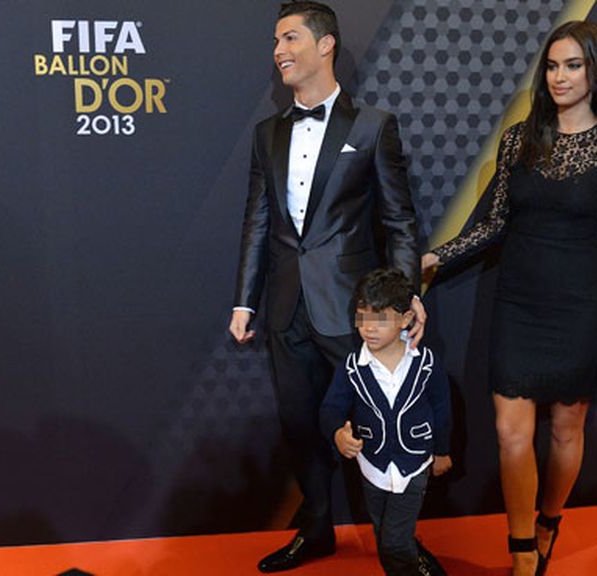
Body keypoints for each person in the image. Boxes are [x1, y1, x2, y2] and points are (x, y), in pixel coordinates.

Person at [421, 21, 597, 576]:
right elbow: (495, 222)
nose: (559, 77)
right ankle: (522, 546)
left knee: (568, 430)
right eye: (552, 66)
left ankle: (550, 518)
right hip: (518, 302)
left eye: (572, 65)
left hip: (578, 304)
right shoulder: (520, 138)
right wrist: (437, 257)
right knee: (509, 432)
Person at [228, 2, 425, 572]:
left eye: (289, 38)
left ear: (326, 45)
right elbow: (257, 220)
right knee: (300, 426)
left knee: (385, 428)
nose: (278, 52)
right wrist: (246, 299)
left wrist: (404, 299)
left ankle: (400, 542)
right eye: (274, 42)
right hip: (285, 309)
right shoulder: (268, 134)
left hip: (356, 314)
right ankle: (315, 530)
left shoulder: (372, 126)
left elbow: (400, 222)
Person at [319, 268, 451, 576]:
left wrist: (442, 451)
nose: (369, 327)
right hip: (372, 466)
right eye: (363, 316)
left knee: (393, 542)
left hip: (414, 464)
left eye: (381, 319)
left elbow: (442, 407)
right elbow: (330, 409)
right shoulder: (352, 367)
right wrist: (338, 433)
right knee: (384, 534)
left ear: (405, 320)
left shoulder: (426, 363)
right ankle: (409, 558)